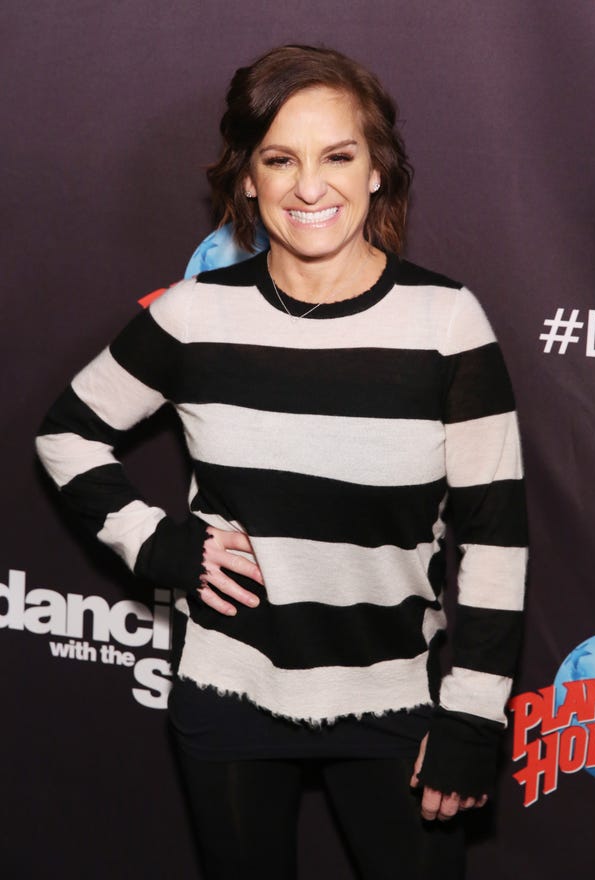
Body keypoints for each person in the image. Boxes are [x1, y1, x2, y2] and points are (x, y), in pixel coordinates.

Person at [36, 45, 527, 880]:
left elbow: (494, 537)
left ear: (378, 171)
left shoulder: (446, 322)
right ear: (247, 179)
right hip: (228, 697)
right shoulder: (194, 314)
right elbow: (67, 431)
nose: (309, 186)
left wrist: (475, 717)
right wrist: (157, 544)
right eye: (280, 159)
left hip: (395, 704)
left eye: (338, 155)